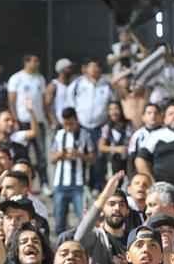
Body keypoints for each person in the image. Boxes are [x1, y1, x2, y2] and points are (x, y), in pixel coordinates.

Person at [73, 171, 129, 264]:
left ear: (128, 211)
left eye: (122, 204)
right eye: (112, 204)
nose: (117, 208)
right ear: (102, 210)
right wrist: (104, 195)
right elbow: (78, 239)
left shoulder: (134, 240)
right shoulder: (96, 237)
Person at [66, 59, 114, 191]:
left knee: (99, 157)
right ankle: (79, 184)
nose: (95, 70)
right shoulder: (77, 84)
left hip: (100, 127)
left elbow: (112, 104)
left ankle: (97, 185)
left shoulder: (106, 85)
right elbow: (70, 105)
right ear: (85, 69)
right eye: (92, 67)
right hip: (81, 126)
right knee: (81, 154)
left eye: (98, 67)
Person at [50, 107, 95, 236]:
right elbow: (52, 158)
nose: (68, 127)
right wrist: (62, 154)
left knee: (84, 219)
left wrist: (79, 155)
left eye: (71, 124)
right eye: (65, 124)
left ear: (76, 120)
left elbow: (92, 158)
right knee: (59, 221)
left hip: (78, 185)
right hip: (60, 184)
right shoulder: (59, 135)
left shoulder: (85, 135)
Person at [7, 54, 48, 192]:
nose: (36, 64)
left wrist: (46, 117)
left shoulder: (40, 78)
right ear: (26, 62)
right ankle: (22, 183)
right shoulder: (16, 78)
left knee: (41, 154)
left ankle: (44, 183)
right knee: (22, 155)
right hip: (22, 121)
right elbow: (11, 101)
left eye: (38, 61)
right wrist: (15, 119)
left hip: (38, 121)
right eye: (34, 61)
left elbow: (43, 101)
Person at [98, 100, 132, 176]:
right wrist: (116, 149)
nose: (114, 112)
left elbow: (132, 140)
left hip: (127, 161)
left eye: (116, 108)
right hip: (113, 161)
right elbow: (101, 147)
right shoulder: (106, 127)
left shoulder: (128, 125)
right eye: (111, 109)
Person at [128, 103, 163, 175]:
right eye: (149, 113)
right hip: (141, 173)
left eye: (156, 113)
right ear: (143, 117)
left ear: (160, 116)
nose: (153, 116)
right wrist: (131, 177)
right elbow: (131, 158)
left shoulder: (166, 133)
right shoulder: (137, 135)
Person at [45, 58, 73, 130]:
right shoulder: (53, 85)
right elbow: (47, 106)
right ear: (62, 70)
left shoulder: (73, 85)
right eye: (69, 68)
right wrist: (54, 121)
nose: (72, 70)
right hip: (58, 124)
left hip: (72, 124)